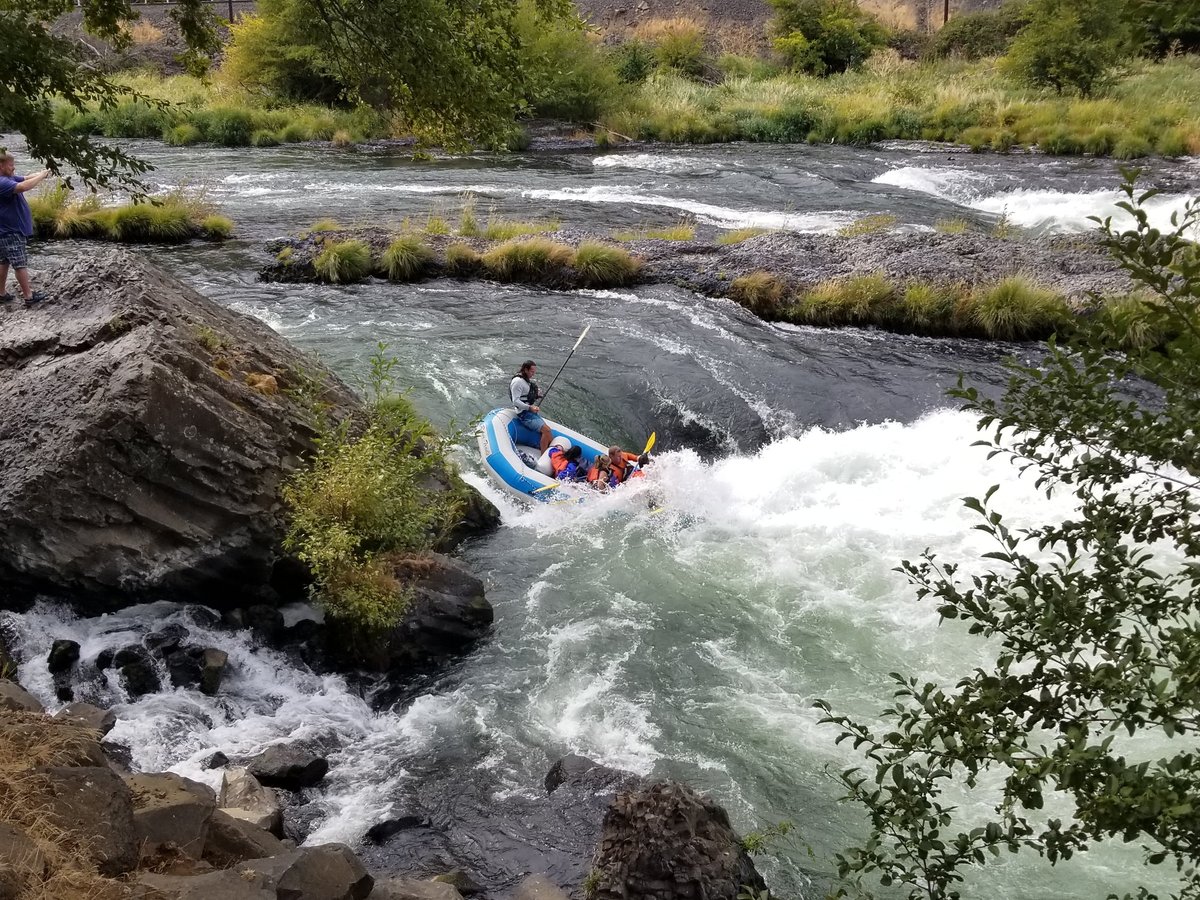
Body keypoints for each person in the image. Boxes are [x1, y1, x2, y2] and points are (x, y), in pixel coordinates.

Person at [0, 153, 51, 305]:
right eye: (11, 165)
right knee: (20, 264)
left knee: (4, 262)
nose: (13, 167)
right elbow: (24, 186)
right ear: (1, 166)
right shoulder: (2, 182)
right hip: (11, 231)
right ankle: (29, 297)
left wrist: (44, 172)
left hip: (5, 231)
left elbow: (26, 178)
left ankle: (1, 293)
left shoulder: (8, 178)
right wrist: (41, 176)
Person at [510, 359, 553, 453]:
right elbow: (515, 401)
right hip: (524, 414)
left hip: (529, 411)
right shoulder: (517, 382)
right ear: (525, 370)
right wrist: (530, 408)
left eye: (534, 372)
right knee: (547, 431)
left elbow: (526, 394)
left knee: (550, 435)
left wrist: (537, 395)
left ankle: (546, 449)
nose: (533, 374)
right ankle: (543, 456)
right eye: (532, 371)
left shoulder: (525, 380)